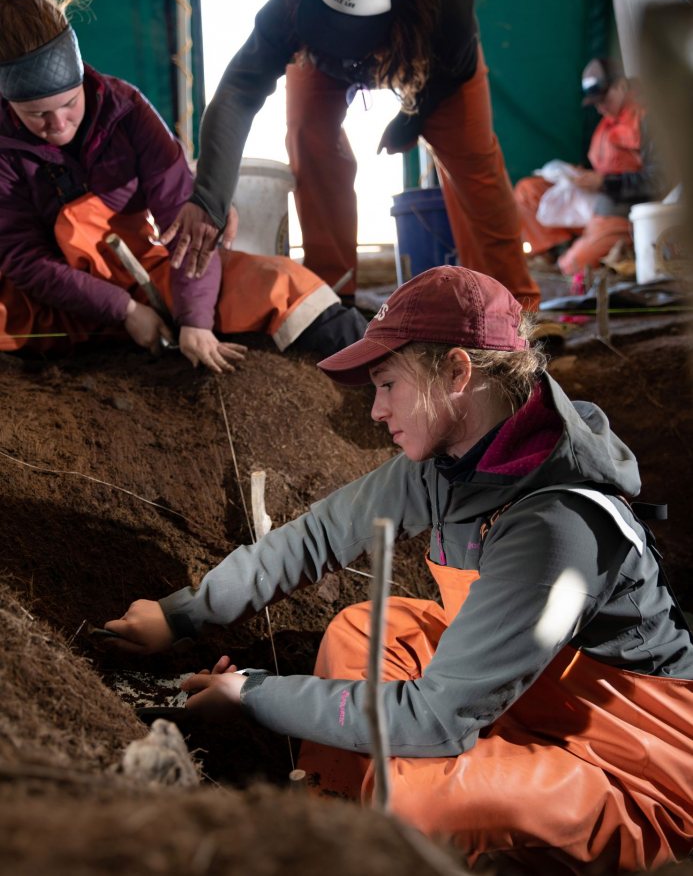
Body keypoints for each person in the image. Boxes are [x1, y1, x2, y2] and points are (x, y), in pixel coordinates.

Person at [105, 264, 692, 873]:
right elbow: (319, 536)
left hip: (628, 754)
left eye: (388, 385)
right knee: (364, 630)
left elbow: (435, 718)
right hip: (518, 697)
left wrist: (251, 692)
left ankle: (385, 840)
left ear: (458, 373)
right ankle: (338, 813)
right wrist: (184, 614)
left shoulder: (555, 528)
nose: (376, 412)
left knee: (422, 802)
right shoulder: (455, 458)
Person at [0, 0, 366, 366]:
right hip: (55, 295)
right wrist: (122, 310)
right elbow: (23, 258)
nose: (58, 124)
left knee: (280, 283)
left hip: (147, 271)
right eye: (37, 114)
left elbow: (185, 223)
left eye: (70, 103)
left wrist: (195, 319)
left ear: (82, 80)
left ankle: (385, 349)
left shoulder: (127, 112)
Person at [162, 0, 541, 312]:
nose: (346, 46)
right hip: (318, 59)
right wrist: (209, 201)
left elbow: (451, 73)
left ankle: (513, 306)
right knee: (308, 136)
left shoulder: (444, 2)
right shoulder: (290, 4)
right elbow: (238, 91)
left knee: (473, 162)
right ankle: (333, 292)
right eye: (332, 29)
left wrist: (412, 120)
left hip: (424, 53)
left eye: (351, 35)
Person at [514, 58, 667, 279]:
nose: (600, 107)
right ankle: (548, 253)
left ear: (622, 86)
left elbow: (660, 181)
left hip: (624, 210)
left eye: (605, 99)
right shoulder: (610, 117)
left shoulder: (647, 118)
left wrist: (604, 182)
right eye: (596, 102)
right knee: (528, 190)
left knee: (575, 265)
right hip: (595, 199)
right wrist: (582, 174)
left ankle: (576, 255)